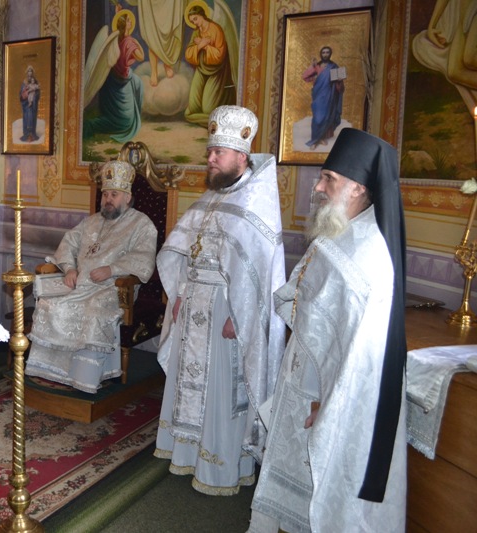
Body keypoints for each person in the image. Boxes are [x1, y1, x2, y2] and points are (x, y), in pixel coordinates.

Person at [248, 128, 407, 532]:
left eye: (328, 179)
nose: (317, 187)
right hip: (304, 379)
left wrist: (328, 404)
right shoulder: (338, 230)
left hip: (329, 397)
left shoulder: (370, 257)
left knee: (323, 491)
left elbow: (361, 358)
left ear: (358, 187)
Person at [154, 105, 286, 495]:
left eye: (219, 153)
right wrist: (180, 293)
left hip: (228, 313)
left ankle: (221, 465)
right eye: (210, 151)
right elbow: (186, 251)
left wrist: (240, 318)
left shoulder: (255, 203)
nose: (210, 158)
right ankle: (187, 453)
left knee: (221, 389)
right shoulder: (211, 197)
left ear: (241, 156)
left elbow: (259, 276)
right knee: (189, 381)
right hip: (194, 305)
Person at [25, 160, 157, 394]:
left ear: (127, 197)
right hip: (80, 283)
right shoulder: (92, 221)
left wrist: (112, 269)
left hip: (114, 287)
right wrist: (69, 269)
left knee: (94, 309)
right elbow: (69, 243)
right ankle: (53, 371)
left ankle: (85, 377)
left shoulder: (142, 224)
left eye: (114, 194)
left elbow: (144, 258)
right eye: (105, 194)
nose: (108, 199)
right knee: (50, 303)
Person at [83, 9, 145, 143]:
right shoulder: (129, 42)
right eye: (128, 20)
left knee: (138, 82)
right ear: (124, 24)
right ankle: (93, 125)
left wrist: (118, 13)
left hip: (113, 80)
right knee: (126, 122)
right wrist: (136, 41)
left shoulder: (116, 40)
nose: (131, 22)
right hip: (120, 82)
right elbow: (141, 56)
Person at [183, 2, 236, 126]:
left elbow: (219, 55)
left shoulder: (216, 30)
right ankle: (209, 119)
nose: (194, 23)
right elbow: (188, 54)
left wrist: (205, 47)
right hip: (201, 69)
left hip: (216, 71)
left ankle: (215, 118)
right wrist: (199, 46)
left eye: (195, 19)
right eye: (192, 21)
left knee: (207, 109)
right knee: (193, 108)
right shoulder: (196, 32)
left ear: (202, 15)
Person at [301, 46, 344, 150]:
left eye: (327, 52)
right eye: (323, 52)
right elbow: (305, 77)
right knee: (317, 118)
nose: (325, 54)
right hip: (318, 96)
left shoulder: (334, 66)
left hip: (329, 96)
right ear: (321, 54)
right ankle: (315, 140)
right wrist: (312, 68)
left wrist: (339, 81)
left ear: (330, 54)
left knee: (327, 117)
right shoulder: (317, 66)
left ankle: (321, 138)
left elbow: (340, 86)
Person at [19, 66, 41, 142]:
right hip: (26, 106)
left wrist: (34, 97)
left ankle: (32, 134)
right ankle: (26, 135)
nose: (30, 74)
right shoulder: (24, 83)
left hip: (33, 105)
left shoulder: (35, 82)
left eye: (31, 72)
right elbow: (21, 94)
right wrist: (25, 94)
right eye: (28, 72)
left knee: (32, 118)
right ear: (27, 73)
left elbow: (38, 93)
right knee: (27, 118)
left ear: (32, 73)